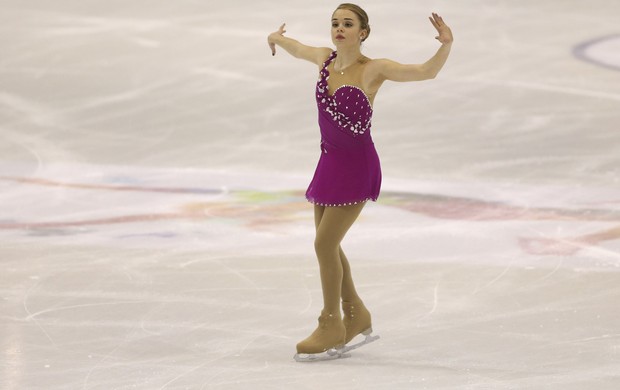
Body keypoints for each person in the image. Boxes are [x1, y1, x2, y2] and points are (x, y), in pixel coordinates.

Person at [267, 3, 453, 361]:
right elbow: (297, 48)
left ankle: (331, 322)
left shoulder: (373, 69)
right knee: (329, 245)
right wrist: (276, 37)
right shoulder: (324, 59)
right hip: (328, 163)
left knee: (324, 245)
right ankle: (356, 313)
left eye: (348, 24)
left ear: (362, 32)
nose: (339, 28)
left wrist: (444, 44)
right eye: (335, 23)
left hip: (356, 166)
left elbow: (424, 72)